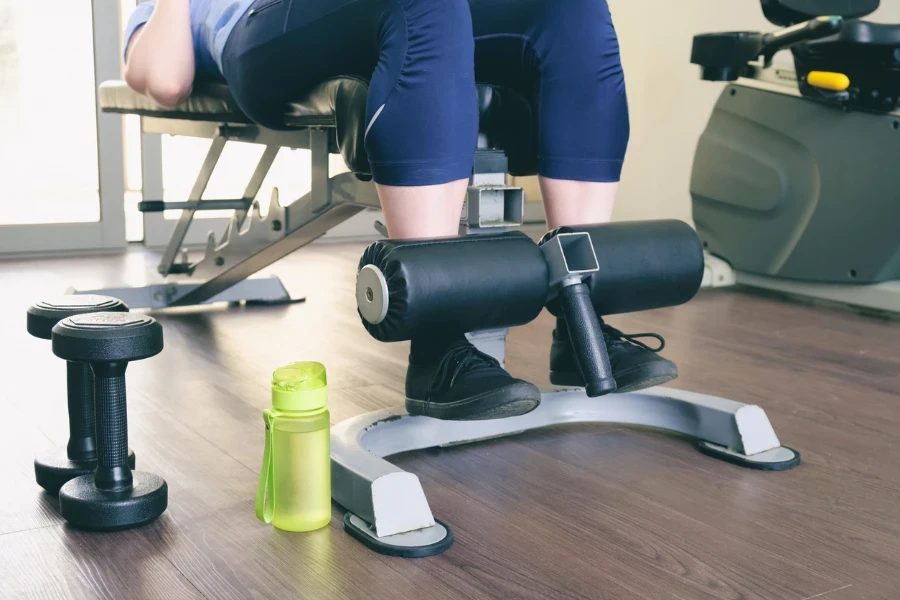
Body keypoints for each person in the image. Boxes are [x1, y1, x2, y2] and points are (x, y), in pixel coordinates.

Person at [123, 0, 677, 421]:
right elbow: (167, 80)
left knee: (571, 10)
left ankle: (583, 321)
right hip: (259, 32)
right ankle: (437, 347)